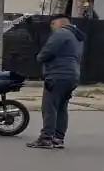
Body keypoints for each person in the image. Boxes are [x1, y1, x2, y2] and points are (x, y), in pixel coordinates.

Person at [27, 15, 84, 149]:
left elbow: (47, 52)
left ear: (56, 23)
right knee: (61, 107)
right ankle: (58, 138)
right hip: (72, 75)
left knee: (49, 107)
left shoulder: (61, 33)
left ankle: (46, 137)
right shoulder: (77, 37)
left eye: (52, 26)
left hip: (57, 75)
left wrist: (39, 57)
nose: (51, 30)